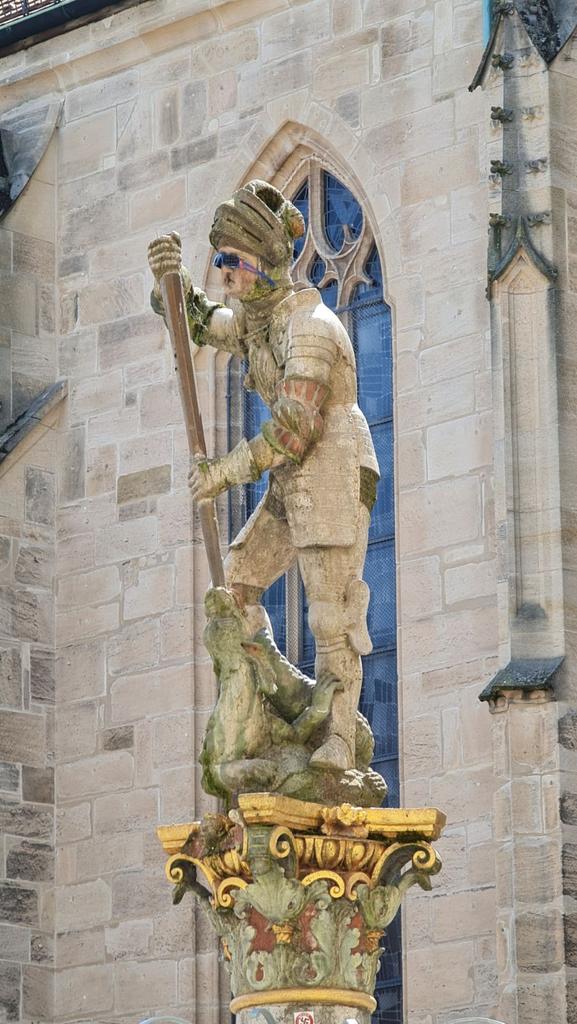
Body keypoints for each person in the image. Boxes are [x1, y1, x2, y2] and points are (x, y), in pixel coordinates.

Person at [148, 180, 379, 773]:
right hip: (291, 483)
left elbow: (293, 430)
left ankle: (339, 740)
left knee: (331, 612)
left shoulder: (313, 329)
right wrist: (169, 281)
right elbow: (198, 322)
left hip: (330, 471)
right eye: (220, 261)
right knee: (236, 589)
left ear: (266, 262)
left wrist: (222, 473)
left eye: (233, 262)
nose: (224, 273)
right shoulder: (259, 321)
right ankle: (280, 699)